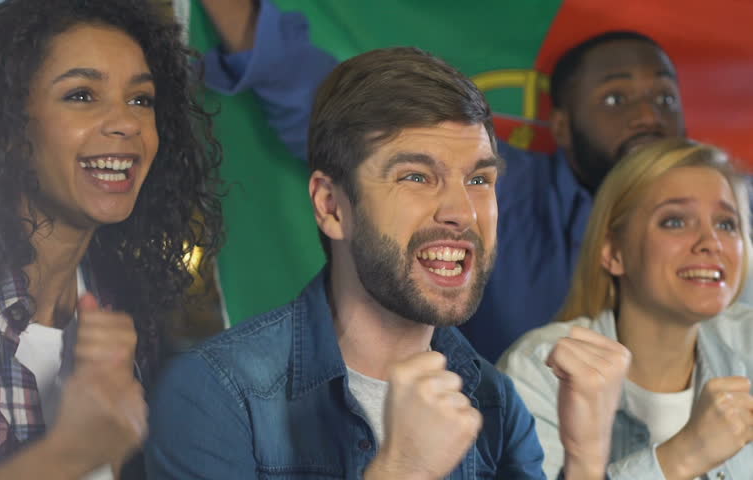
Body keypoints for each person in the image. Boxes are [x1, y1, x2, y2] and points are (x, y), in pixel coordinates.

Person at [146, 46, 630, 480]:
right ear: (331, 206)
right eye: (416, 177)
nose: (462, 212)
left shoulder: (497, 402)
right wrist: (404, 470)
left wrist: (586, 460)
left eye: (479, 180)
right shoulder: (215, 391)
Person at [197, 0, 688, 362]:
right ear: (560, 125)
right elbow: (309, 90)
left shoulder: (721, 199)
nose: (649, 116)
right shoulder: (496, 184)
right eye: (615, 100)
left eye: (666, 99)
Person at [0, 0, 223, 478]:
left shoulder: (123, 309)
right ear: (6, 127)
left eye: (141, 99)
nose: (127, 122)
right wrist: (70, 452)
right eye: (82, 95)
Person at [498, 138, 753, 479]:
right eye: (675, 221)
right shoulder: (540, 369)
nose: (712, 243)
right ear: (612, 252)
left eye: (726, 224)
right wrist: (683, 456)